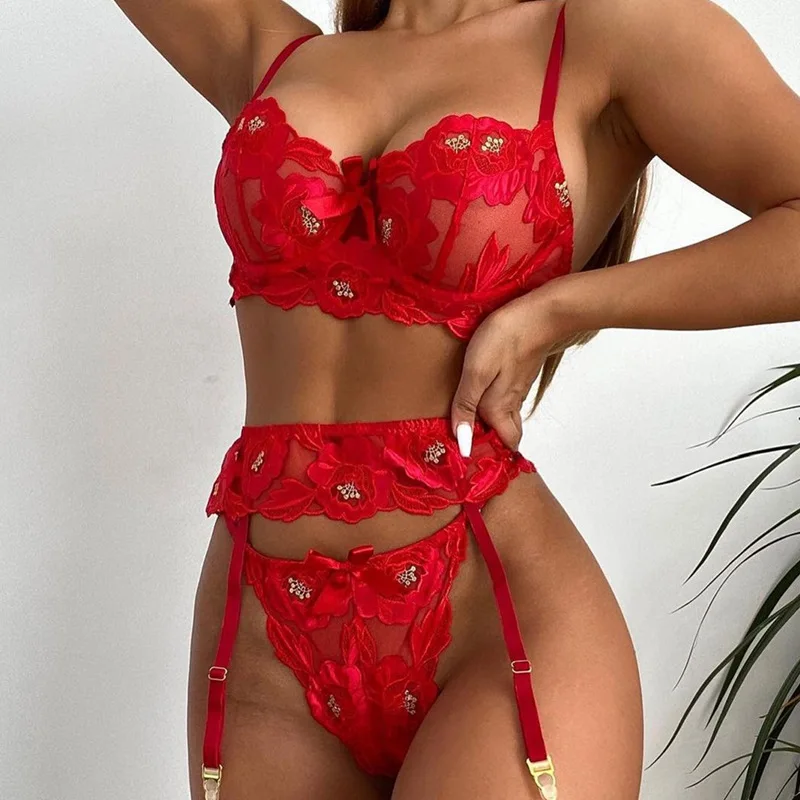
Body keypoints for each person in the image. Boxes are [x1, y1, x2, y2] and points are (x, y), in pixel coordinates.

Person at [113, 0, 800, 796]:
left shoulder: (608, 31)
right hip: (264, 630)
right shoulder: (269, 51)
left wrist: (565, 308)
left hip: (495, 619)